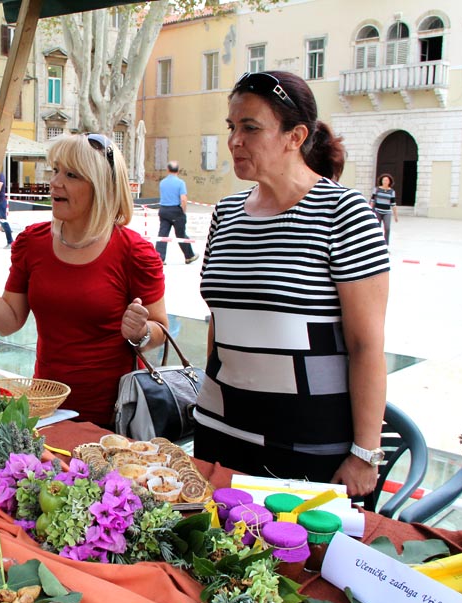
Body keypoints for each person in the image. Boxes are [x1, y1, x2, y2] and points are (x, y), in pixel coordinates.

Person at [194, 71, 389, 498]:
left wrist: (365, 453)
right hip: (219, 433)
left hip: (308, 444)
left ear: (294, 136)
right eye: (232, 127)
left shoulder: (344, 213)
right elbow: (220, 321)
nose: (234, 141)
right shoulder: (225, 214)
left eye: (250, 128)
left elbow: (366, 345)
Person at [0, 133, 168, 427]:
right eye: (55, 170)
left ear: (101, 186)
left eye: (71, 174)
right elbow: (8, 321)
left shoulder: (135, 252)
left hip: (115, 415)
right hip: (46, 410)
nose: (54, 182)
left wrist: (141, 330)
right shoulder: (32, 242)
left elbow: (160, 330)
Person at [155, 161, 198, 264]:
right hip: (176, 210)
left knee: (162, 235)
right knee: (181, 234)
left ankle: (159, 258)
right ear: (178, 171)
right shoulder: (180, 183)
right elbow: (183, 199)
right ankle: (189, 256)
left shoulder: (162, 183)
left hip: (164, 210)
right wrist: (183, 211)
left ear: (168, 170)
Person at [370, 173, 399, 244]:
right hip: (377, 211)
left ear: (389, 182)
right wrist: (370, 210)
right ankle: (377, 243)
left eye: (387, 180)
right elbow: (372, 200)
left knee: (387, 228)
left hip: (387, 212)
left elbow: (393, 204)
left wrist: (396, 216)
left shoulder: (392, 191)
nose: (385, 182)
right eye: (384, 180)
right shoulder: (377, 189)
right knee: (377, 228)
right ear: (381, 181)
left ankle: (386, 244)